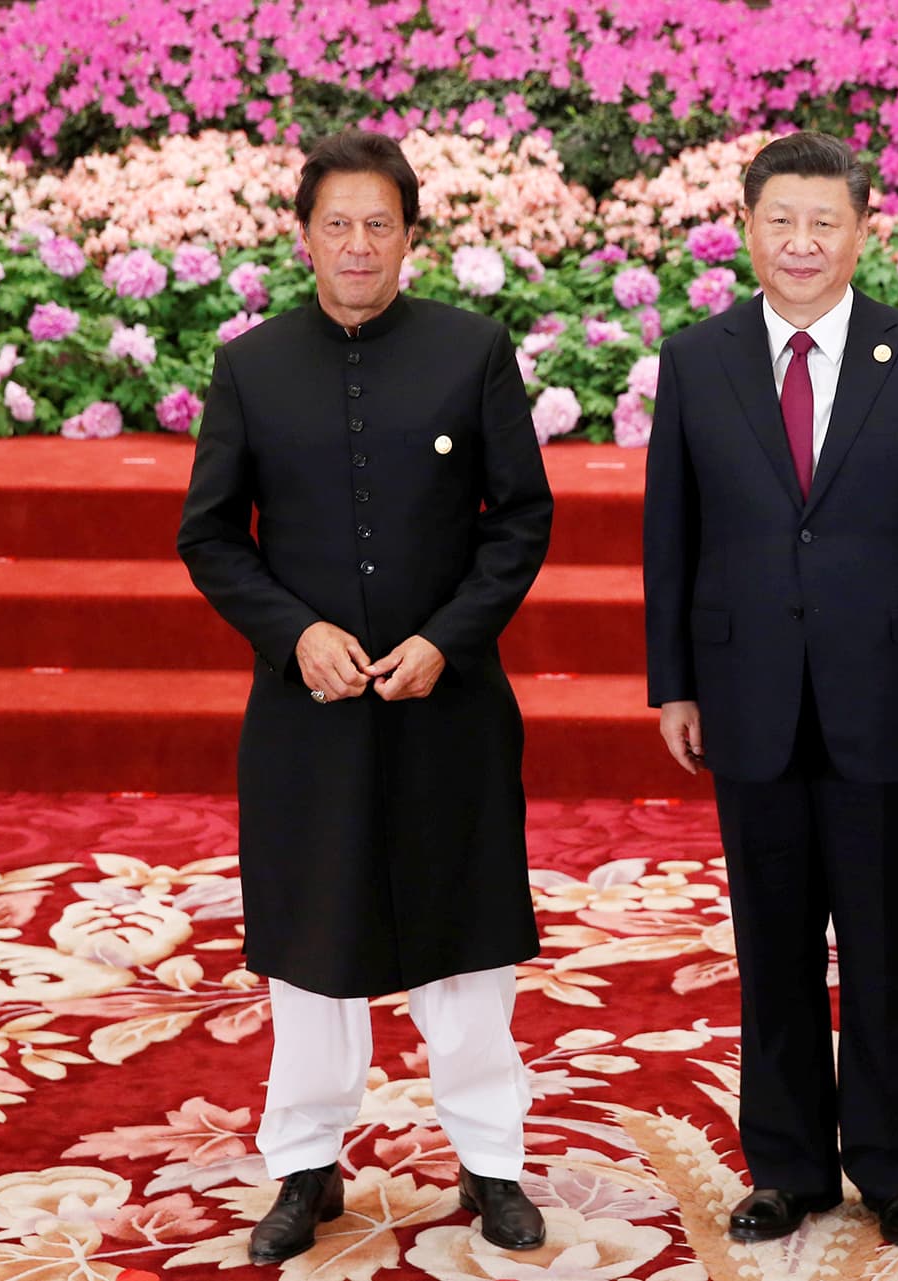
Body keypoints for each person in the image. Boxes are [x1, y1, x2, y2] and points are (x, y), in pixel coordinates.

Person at [177, 130, 554, 1265]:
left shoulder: (471, 350)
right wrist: (295, 637)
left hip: (449, 702)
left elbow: (520, 519)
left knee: (468, 948)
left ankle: (492, 1167)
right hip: (310, 713)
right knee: (311, 950)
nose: (355, 244)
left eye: (376, 224)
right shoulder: (249, 365)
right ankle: (304, 1169)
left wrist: (448, 638)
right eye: (335, 224)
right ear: (303, 236)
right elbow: (211, 536)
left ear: (410, 238)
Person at [643, 131, 898, 1249]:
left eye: (824, 222)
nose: (801, 243)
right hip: (749, 695)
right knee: (773, 946)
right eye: (780, 221)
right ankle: (787, 1168)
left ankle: (897, 1168)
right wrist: (675, 683)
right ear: (745, 226)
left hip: (890, 696)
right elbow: (673, 533)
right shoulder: (698, 361)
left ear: (864, 230)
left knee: (890, 945)